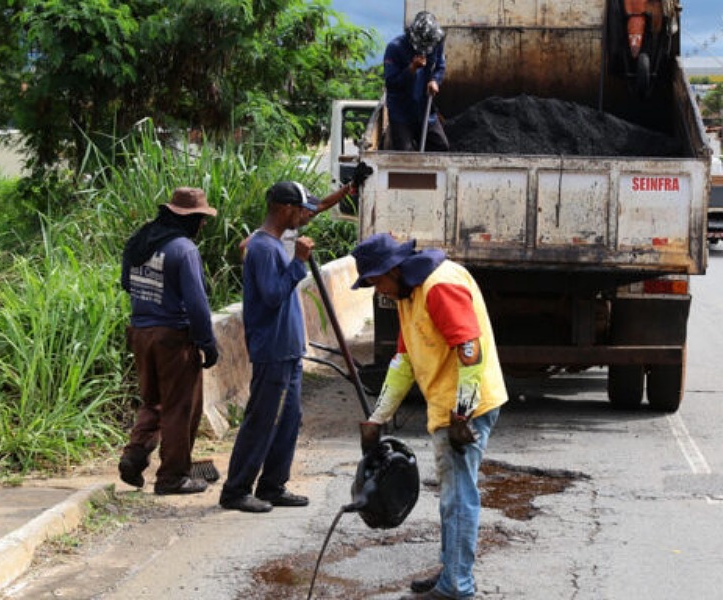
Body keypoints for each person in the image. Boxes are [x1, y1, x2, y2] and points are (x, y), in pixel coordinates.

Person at [350, 233, 509, 600]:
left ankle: (457, 586)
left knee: (458, 496)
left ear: (392, 270)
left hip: (466, 408)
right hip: (448, 405)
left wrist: (462, 417)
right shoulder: (409, 294)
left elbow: (469, 350)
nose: (378, 292)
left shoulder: (439, 286)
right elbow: (403, 361)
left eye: (376, 282)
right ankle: (451, 571)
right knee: (451, 496)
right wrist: (378, 417)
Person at [218, 179, 356, 513]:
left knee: (288, 419)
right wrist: (298, 262)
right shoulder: (264, 248)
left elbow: (314, 211)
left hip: (289, 350)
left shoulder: (275, 241)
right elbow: (272, 295)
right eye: (298, 210)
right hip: (274, 349)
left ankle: (272, 485)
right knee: (263, 419)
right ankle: (236, 490)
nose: (303, 217)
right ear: (283, 209)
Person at [118, 187, 219, 496]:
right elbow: (197, 303)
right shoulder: (183, 249)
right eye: (199, 219)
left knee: (154, 401)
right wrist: (207, 342)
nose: (201, 225)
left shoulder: (141, 241)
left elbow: (126, 283)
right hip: (173, 337)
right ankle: (172, 477)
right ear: (188, 219)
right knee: (179, 408)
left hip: (140, 332)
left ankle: (134, 456)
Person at [384, 10, 449, 152]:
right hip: (402, 112)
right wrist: (411, 69)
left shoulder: (436, 42)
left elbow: (440, 66)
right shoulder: (395, 48)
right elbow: (391, 84)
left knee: (441, 147)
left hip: (425, 109)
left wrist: (435, 81)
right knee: (406, 154)